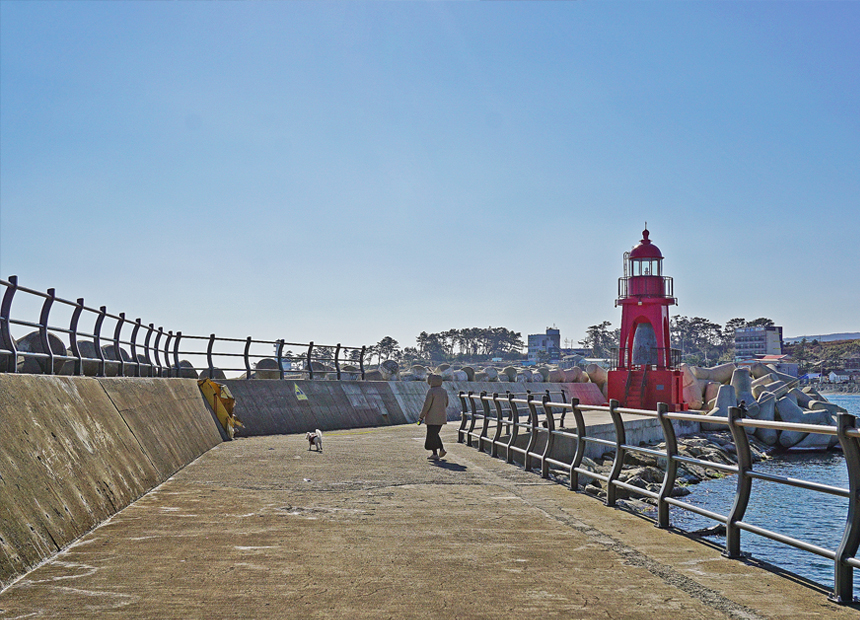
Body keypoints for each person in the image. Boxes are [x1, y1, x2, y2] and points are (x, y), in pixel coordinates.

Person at [418, 373, 449, 460]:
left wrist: (421, 416)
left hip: (432, 418)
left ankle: (436, 453)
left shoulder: (431, 391)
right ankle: (440, 450)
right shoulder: (444, 391)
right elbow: (446, 403)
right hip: (441, 417)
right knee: (435, 434)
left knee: (432, 435)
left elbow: (426, 405)